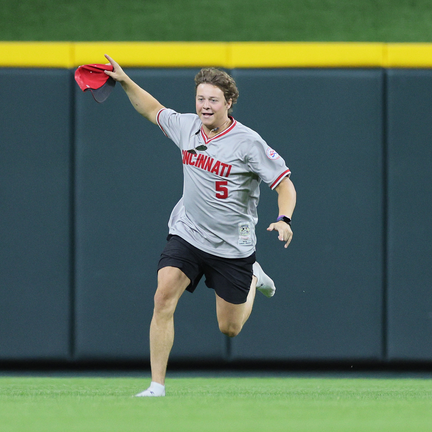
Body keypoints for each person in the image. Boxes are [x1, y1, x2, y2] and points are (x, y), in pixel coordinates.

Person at [102, 54, 297, 397]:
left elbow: (284, 185)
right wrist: (124, 80)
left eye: (213, 100)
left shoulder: (248, 143)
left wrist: (283, 219)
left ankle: (252, 275)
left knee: (230, 329)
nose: (205, 106)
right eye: (201, 99)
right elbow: (152, 108)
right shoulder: (187, 126)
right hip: (188, 233)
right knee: (163, 297)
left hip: (232, 246)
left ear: (229, 102)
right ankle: (156, 386)